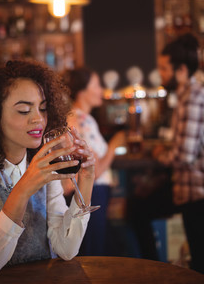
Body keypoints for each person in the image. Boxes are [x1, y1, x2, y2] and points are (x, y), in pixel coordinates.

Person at [0, 60, 96, 283]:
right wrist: (23, 189)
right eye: (24, 110)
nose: (38, 119)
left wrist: (86, 180)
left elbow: (66, 249)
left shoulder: (44, 159)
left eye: (42, 108)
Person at [127, 33, 204, 274]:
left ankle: (156, 271)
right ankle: (157, 270)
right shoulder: (185, 96)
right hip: (186, 187)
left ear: (181, 69)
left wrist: (161, 153)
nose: (160, 74)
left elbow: (185, 156)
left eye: (164, 68)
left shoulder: (192, 98)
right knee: (138, 208)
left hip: (196, 190)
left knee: (200, 261)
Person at [62, 67, 125, 256]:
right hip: (93, 191)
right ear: (82, 91)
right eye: (96, 85)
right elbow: (94, 171)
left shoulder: (75, 118)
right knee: (94, 252)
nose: (101, 90)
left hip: (87, 192)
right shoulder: (82, 120)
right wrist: (114, 145)